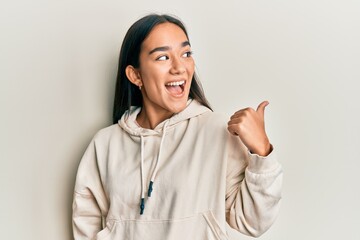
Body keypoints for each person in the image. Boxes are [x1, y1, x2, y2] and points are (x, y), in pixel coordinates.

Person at [72, 13, 282, 240]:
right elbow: (85, 221)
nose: (179, 67)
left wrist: (261, 150)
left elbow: (252, 222)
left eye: (186, 54)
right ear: (135, 75)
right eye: (163, 57)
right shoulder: (105, 144)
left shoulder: (216, 130)